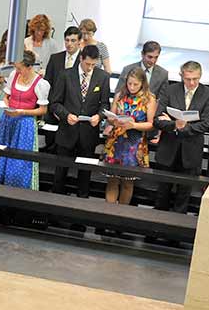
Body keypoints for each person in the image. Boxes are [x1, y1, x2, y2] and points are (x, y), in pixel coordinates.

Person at [152, 59, 209, 213]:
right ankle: (155, 229)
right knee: (162, 191)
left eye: (195, 79)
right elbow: (157, 120)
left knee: (184, 194)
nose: (192, 83)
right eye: (188, 79)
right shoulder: (170, 90)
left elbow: (205, 124)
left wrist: (181, 126)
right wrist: (175, 124)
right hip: (169, 148)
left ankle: (176, 231)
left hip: (191, 150)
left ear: (200, 76)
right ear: (181, 76)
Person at [50, 44, 111, 197]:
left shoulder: (102, 77)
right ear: (81, 59)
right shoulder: (65, 75)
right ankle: (56, 206)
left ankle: (81, 206)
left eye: (93, 64)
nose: (90, 67)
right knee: (60, 174)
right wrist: (65, 115)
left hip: (88, 132)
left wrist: (99, 116)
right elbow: (55, 103)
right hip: (67, 131)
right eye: (87, 63)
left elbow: (105, 104)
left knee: (85, 175)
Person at [101, 66, 156, 205]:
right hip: (115, 141)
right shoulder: (120, 95)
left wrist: (134, 125)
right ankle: (107, 214)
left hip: (134, 143)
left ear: (142, 83)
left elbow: (151, 124)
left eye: (135, 84)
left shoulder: (149, 99)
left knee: (128, 182)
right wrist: (113, 120)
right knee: (112, 180)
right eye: (129, 83)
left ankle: (121, 216)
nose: (131, 87)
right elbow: (111, 116)